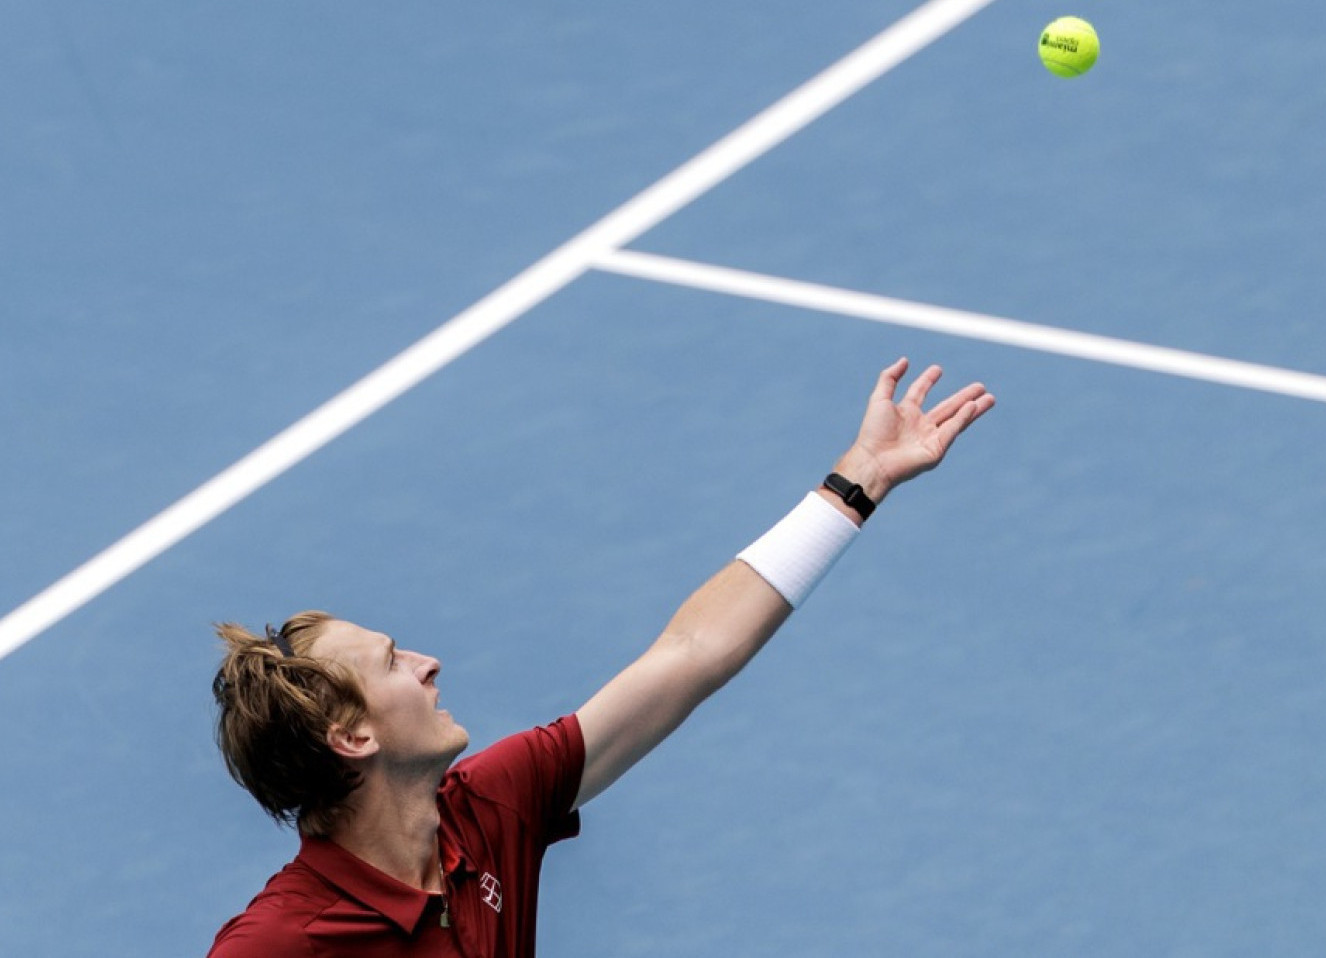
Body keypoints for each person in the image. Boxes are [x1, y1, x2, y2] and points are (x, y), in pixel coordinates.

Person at [206, 357, 995, 958]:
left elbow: (690, 654)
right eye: (391, 664)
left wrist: (858, 481)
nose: (428, 662)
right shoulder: (280, 943)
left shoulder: (490, 809)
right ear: (352, 737)